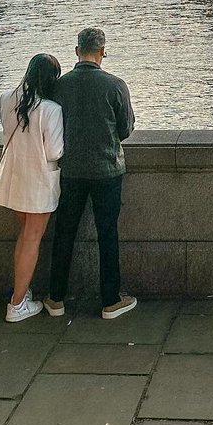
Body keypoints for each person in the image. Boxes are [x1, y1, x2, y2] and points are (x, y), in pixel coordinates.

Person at [44, 26, 136, 320]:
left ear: (76, 51)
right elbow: (126, 129)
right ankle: (110, 300)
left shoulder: (60, 86)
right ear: (103, 52)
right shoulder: (115, 85)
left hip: (70, 170)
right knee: (107, 233)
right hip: (107, 169)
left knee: (64, 232)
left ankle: (56, 298)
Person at [0, 52, 63, 323]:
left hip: (14, 178)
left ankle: (21, 292)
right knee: (32, 239)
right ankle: (18, 303)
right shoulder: (50, 109)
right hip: (39, 183)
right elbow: (55, 151)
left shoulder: (6, 100)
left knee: (24, 236)